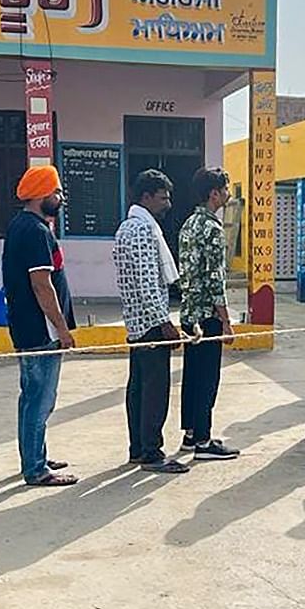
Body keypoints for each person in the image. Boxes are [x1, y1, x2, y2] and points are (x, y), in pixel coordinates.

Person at [3, 164, 79, 486]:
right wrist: (61, 328)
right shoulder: (36, 231)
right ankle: (35, 468)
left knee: (31, 397)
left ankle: (35, 455)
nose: (60, 197)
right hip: (40, 330)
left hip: (27, 326)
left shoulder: (21, 225)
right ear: (42, 195)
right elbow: (41, 285)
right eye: (56, 192)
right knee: (40, 399)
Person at [114, 169, 189, 473]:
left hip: (136, 323)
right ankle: (152, 453)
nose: (168, 203)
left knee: (138, 389)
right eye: (163, 197)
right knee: (154, 391)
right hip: (149, 325)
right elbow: (146, 284)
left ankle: (138, 449)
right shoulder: (143, 230)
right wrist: (165, 323)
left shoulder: (126, 228)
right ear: (146, 197)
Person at [177, 167, 240, 460]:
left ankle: (190, 433)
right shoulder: (212, 229)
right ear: (214, 193)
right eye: (225, 189)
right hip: (207, 316)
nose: (228, 194)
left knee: (192, 375)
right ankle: (204, 441)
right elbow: (215, 279)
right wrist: (226, 322)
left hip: (189, 315)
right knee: (207, 378)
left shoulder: (188, 224)